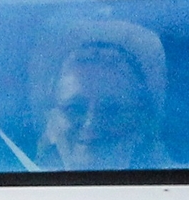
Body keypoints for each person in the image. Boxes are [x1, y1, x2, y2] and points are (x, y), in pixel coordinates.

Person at [37, 25, 170, 170]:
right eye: (74, 108)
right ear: (50, 121)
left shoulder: (184, 188)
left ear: (141, 122)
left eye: (111, 109)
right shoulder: (17, 188)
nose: (91, 122)